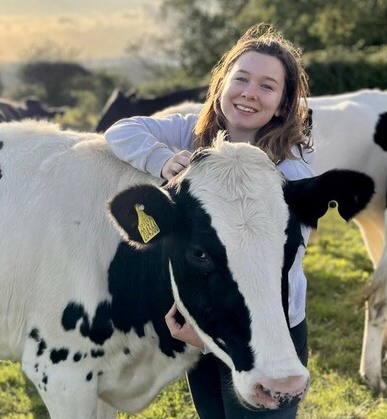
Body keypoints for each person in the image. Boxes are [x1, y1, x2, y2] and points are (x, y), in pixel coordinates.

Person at [104, 23, 313, 418]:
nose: (250, 93)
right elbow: (121, 130)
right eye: (242, 79)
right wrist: (161, 160)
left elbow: (283, 259)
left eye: (268, 86)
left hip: (269, 330)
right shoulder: (191, 131)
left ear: (284, 104)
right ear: (221, 85)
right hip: (208, 318)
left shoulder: (290, 170)